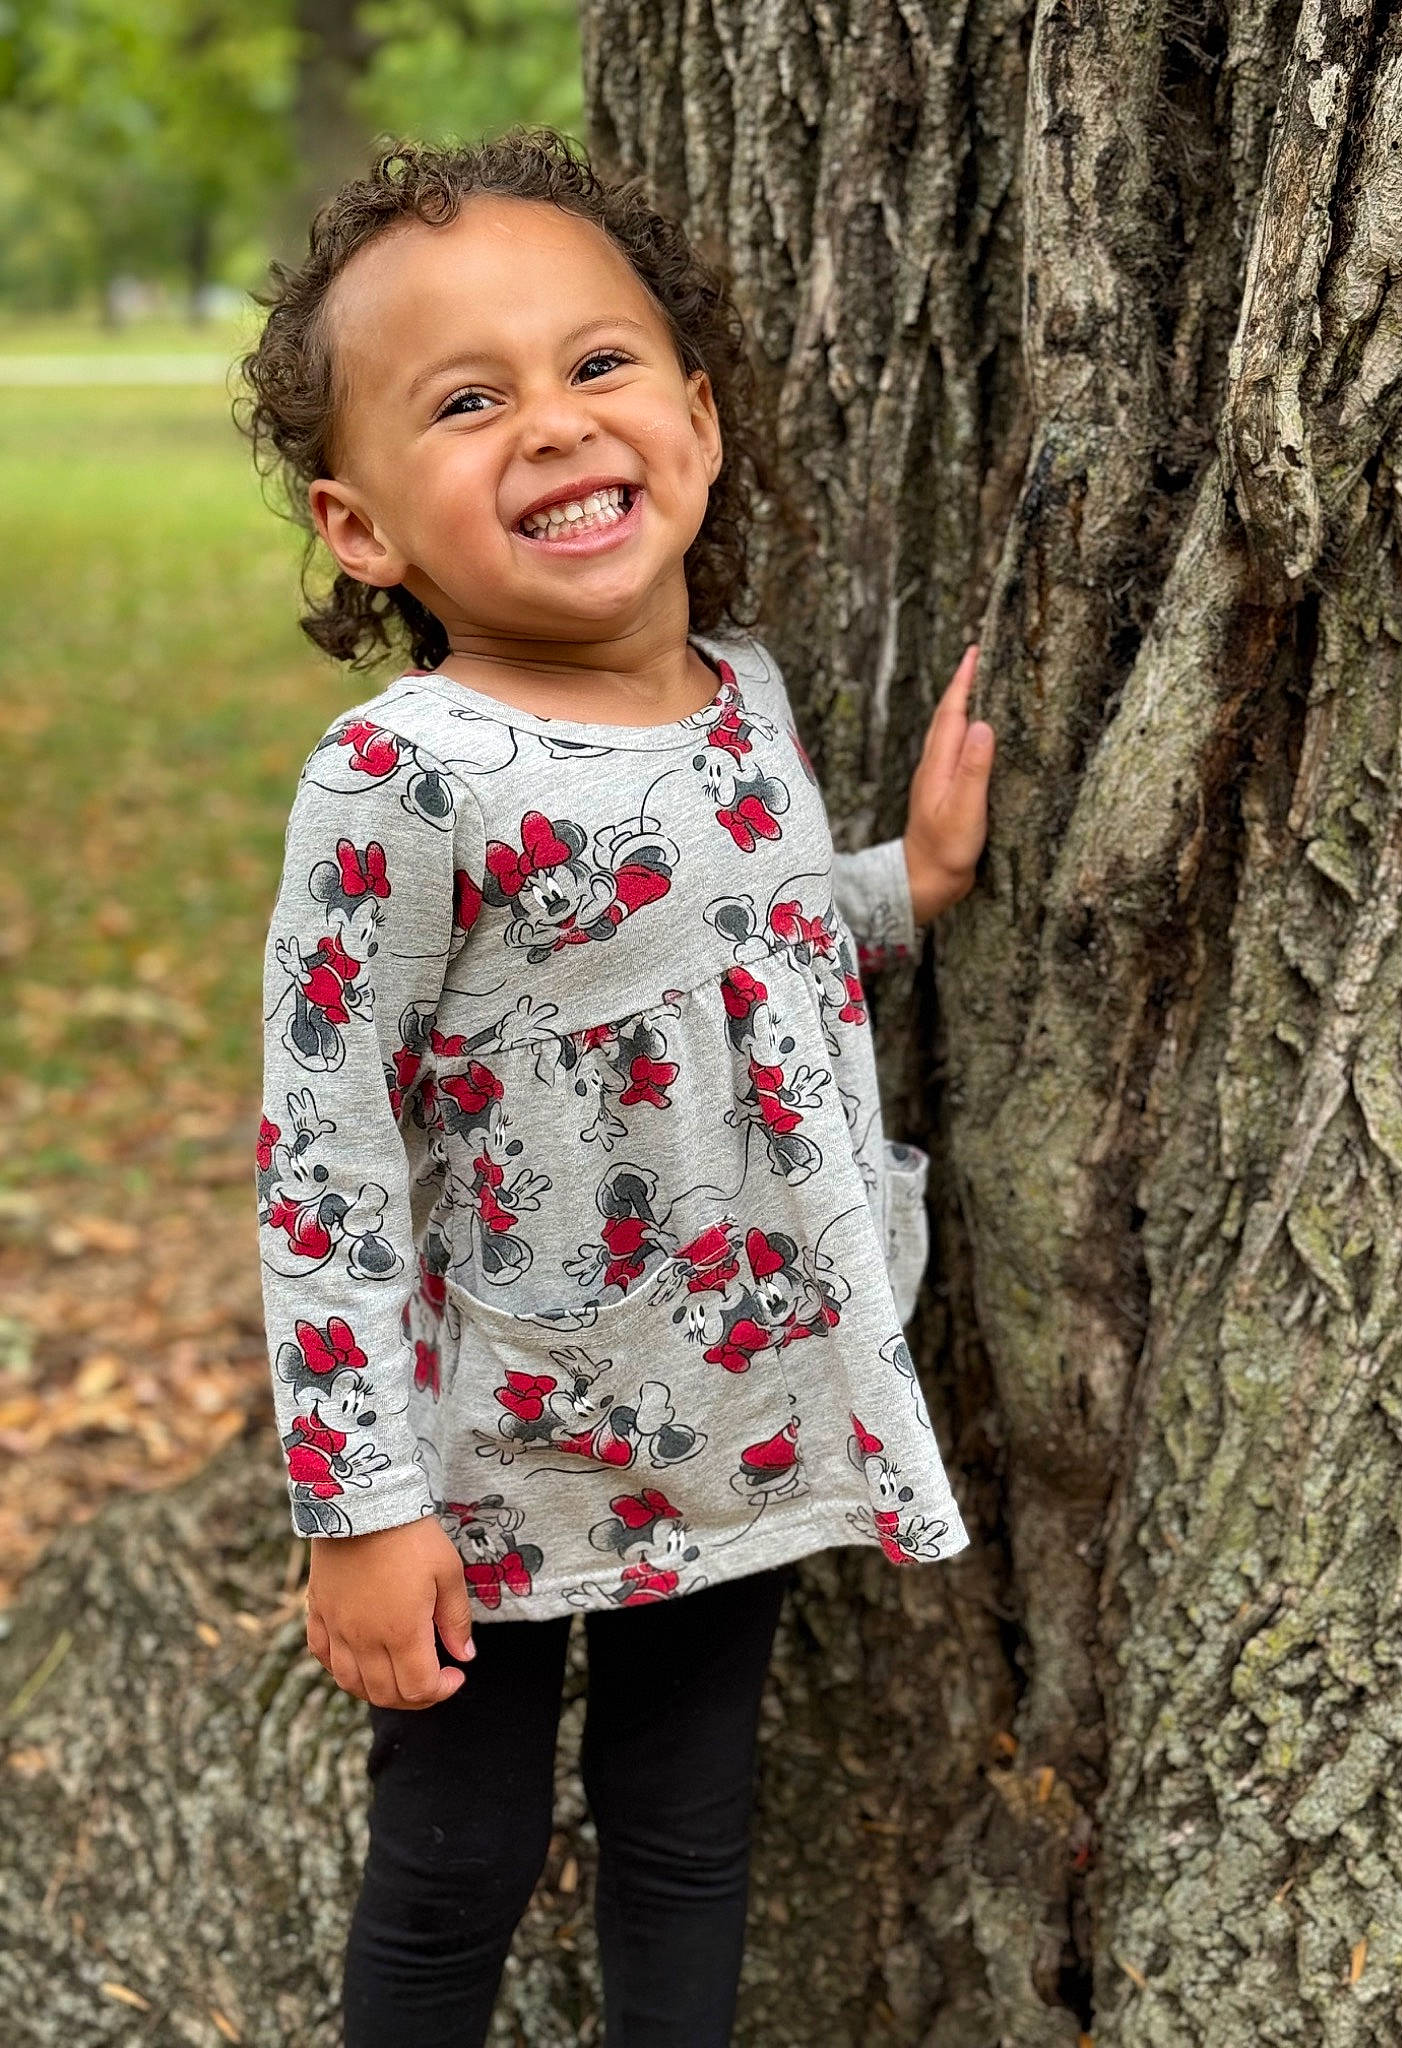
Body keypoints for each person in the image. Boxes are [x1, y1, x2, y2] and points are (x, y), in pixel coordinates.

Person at [241, 127, 995, 2048]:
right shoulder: (399, 774)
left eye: (598, 366)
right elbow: (320, 1143)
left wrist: (894, 887)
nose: (559, 428)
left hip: (736, 1394)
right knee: (456, 1853)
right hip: (491, 1427)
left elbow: (719, 952)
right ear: (361, 525)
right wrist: (355, 1504)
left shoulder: (741, 694)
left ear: (701, 415)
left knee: (687, 1824)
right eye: (469, 399)